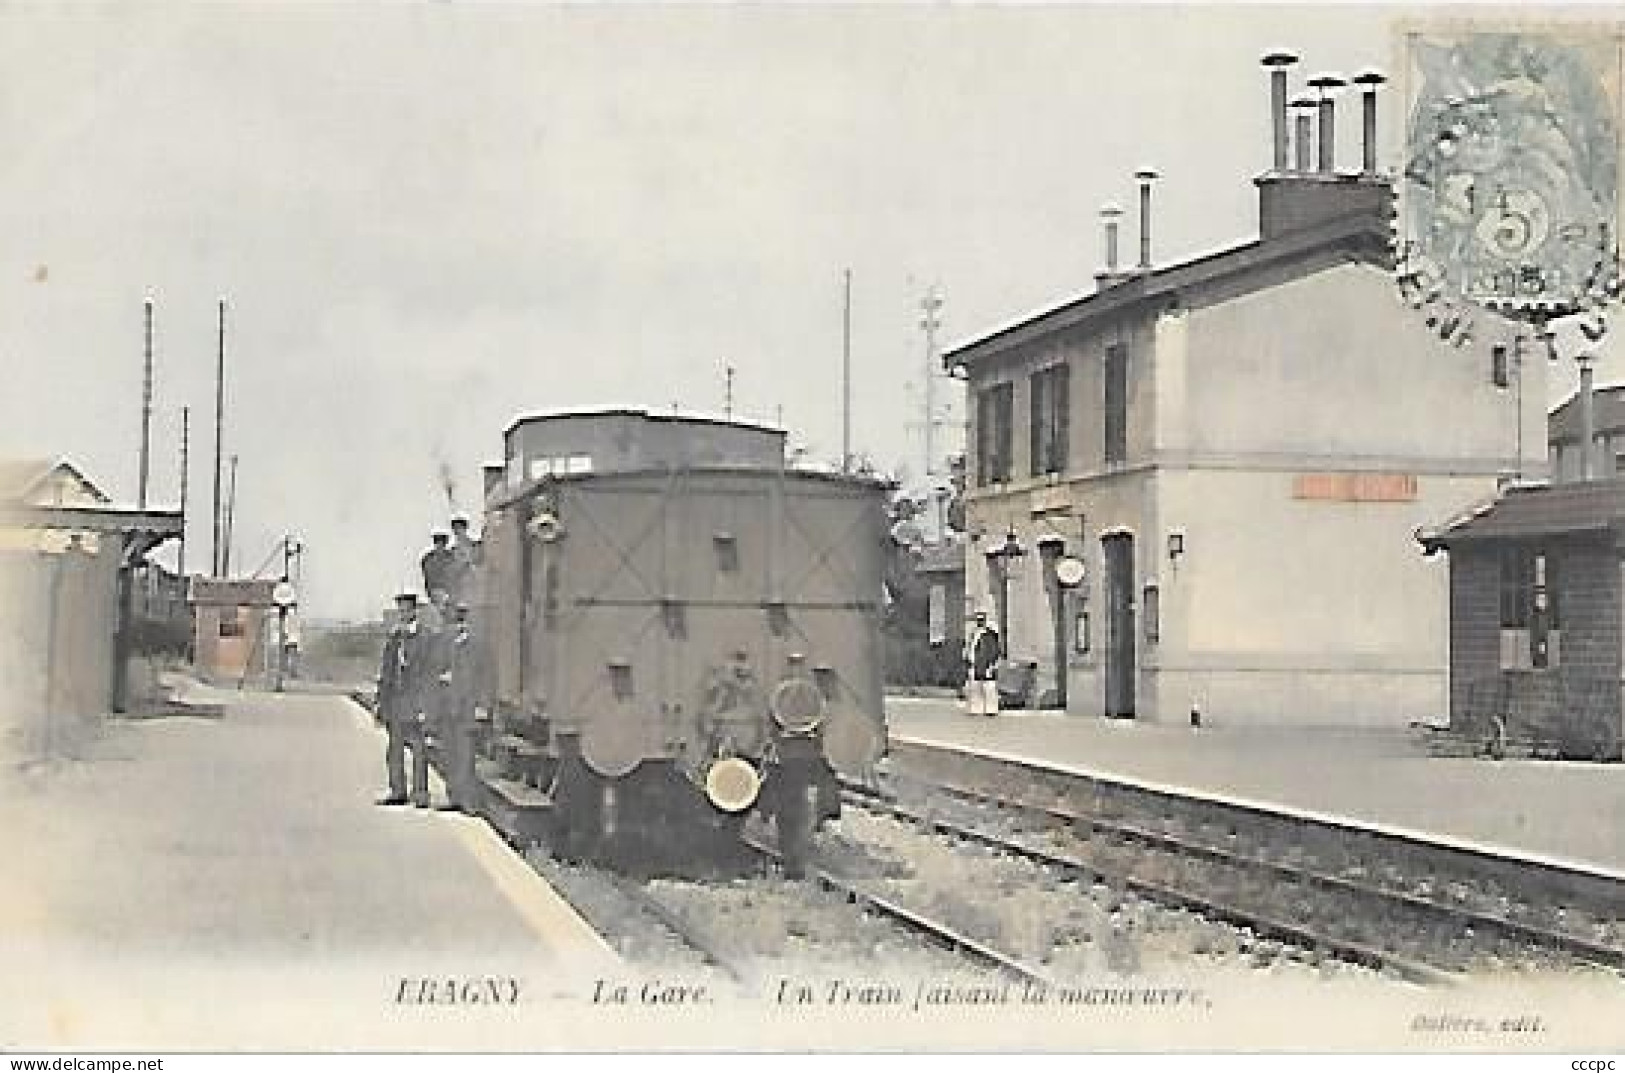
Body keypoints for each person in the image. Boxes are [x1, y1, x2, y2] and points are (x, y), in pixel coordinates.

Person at [377, 590, 438, 807]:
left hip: (416, 702)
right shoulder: (394, 638)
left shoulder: (427, 638)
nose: (403, 614)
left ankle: (421, 794)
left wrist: (427, 705)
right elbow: (386, 672)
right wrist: (381, 703)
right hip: (396, 702)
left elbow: (431, 673)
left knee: (419, 750)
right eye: (400, 610)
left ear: (415, 611)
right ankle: (398, 791)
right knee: (394, 749)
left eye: (407, 610)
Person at [432, 603, 482, 813]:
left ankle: (467, 800)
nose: (459, 627)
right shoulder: (446, 646)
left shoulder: (478, 647)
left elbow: (487, 678)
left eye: (463, 622)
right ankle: (453, 796)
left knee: (465, 757)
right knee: (450, 755)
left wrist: (483, 706)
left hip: (468, 710)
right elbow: (435, 672)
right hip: (448, 708)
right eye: (456, 622)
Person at [964, 610, 1002, 717]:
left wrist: (992, 664)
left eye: (981, 620)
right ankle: (976, 708)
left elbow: (994, 650)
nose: (979, 622)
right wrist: (968, 657)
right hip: (975, 663)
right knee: (975, 687)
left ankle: (991, 709)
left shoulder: (990, 634)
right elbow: (971, 647)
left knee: (988, 687)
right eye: (977, 620)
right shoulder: (973, 633)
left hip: (985, 664)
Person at [447, 516, 481, 607]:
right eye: (455, 528)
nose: (457, 531)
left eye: (459, 528)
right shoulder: (452, 550)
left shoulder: (474, 545)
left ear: (465, 528)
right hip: (459, 584)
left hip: (472, 582)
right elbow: (452, 569)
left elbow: (478, 562)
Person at [420, 531, 455, 610]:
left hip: (448, 591)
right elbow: (427, 576)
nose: (439, 546)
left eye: (442, 543)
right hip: (434, 590)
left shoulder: (451, 558)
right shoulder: (428, 558)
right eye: (437, 543)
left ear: (445, 544)